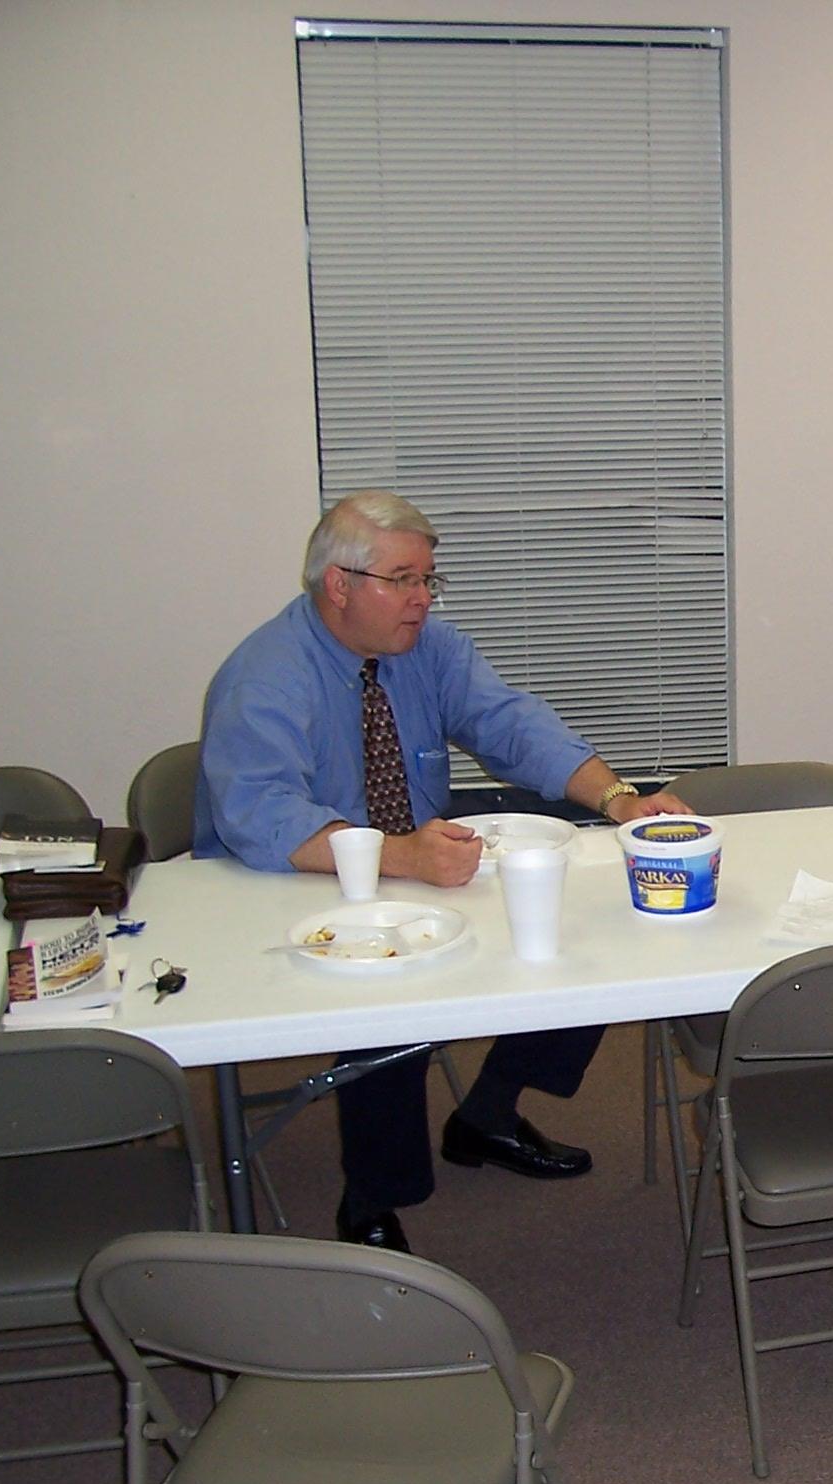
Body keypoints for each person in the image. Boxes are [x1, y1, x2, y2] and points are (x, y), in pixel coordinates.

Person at [197, 490, 691, 1254]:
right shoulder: (265, 674)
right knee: (390, 1005)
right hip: (294, 878)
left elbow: (510, 723)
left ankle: (487, 1113)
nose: (423, 599)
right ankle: (372, 1195)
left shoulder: (428, 648)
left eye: (430, 580)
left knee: (578, 938)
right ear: (340, 585)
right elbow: (258, 814)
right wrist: (400, 856)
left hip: (415, 863)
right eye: (404, 580)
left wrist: (621, 799)